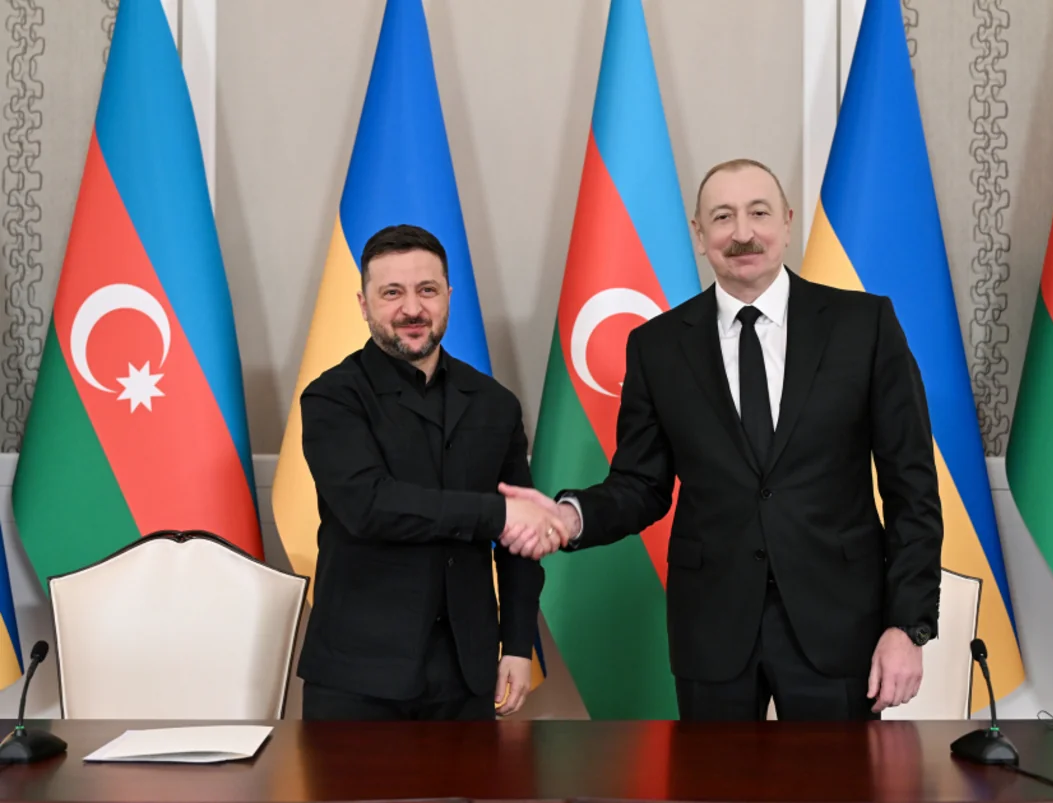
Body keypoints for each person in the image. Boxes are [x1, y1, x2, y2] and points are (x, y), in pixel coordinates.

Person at [502, 159, 943, 721]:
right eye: (722, 217)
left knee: (839, 775)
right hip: (712, 630)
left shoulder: (865, 325)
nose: (742, 233)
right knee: (714, 775)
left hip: (840, 626)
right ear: (699, 233)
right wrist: (570, 517)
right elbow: (641, 484)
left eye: (758, 213)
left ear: (786, 222)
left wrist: (907, 625)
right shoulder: (657, 346)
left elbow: (912, 489)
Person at [296, 223, 563, 721]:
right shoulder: (332, 398)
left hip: (467, 674)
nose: (412, 309)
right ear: (363, 304)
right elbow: (370, 505)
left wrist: (517, 644)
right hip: (357, 676)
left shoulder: (496, 403)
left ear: (448, 297)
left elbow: (520, 541)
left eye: (427, 290)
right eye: (391, 293)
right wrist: (497, 513)